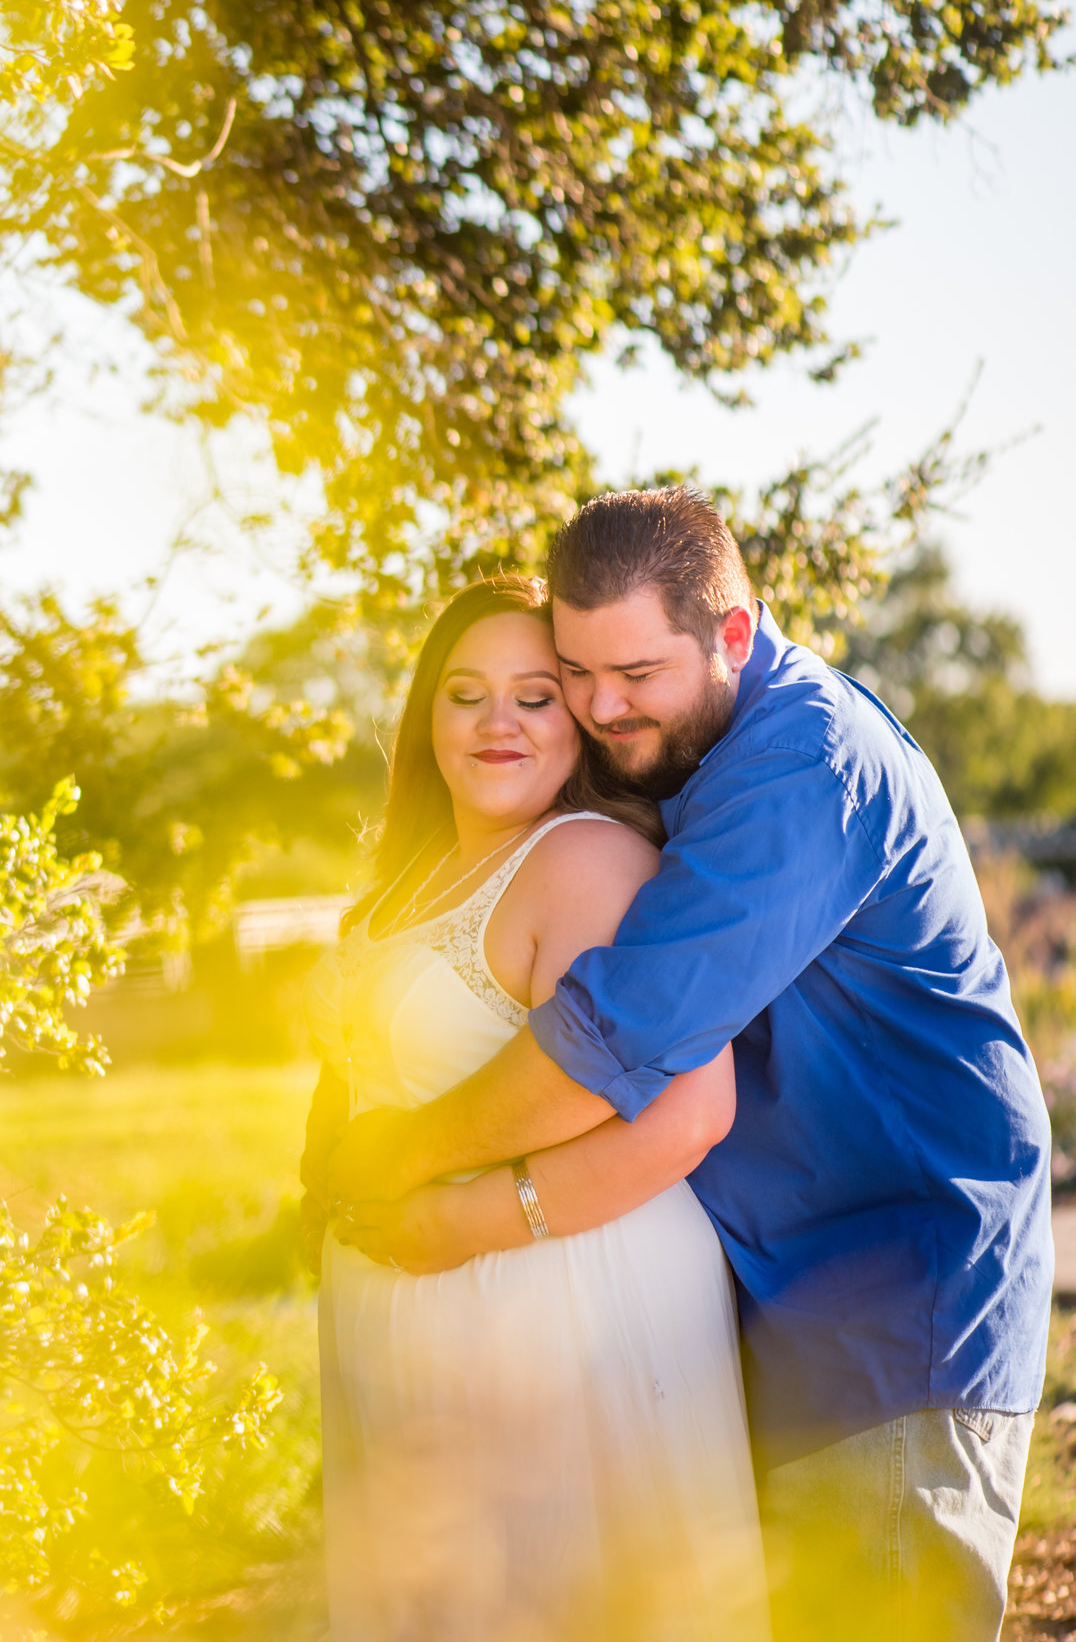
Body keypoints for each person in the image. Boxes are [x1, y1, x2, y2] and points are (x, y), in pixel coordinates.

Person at [318, 487, 1053, 1642]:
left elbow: (612, 1040)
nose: (602, 707)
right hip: (781, 1299)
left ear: (734, 634)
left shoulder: (802, 769)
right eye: (580, 673)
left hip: (891, 1306)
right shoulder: (679, 755)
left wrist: (407, 1166)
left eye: (638, 676)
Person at [303, 572, 770, 1640]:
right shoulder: (408, 877)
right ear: (426, 718)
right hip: (408, 1316)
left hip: (561, 1303)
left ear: (580, 720)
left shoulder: (588, 862)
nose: (497, 722)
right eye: (466, 694)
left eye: (533, 694)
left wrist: (464, 1220)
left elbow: (687, 1112)